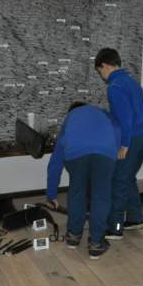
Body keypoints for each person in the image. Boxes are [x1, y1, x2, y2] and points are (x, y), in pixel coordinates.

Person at [46, 102, 120, 259]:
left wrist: (51, 194)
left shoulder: (70, 119)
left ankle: (73, 237)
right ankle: (96, 244)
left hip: (76, 154)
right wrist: (115, 151)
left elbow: (55, 163)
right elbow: (117, 129)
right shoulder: (101, 112)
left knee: (77, 192)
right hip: (105, 151)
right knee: (101, 196)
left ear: (70, 112)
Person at [94, 48, 143, 239]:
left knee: (118, 180)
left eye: (100, 71)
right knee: (128, 177)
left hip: (131, 138)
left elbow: (126, 119)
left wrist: (124, 145)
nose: (101, 75)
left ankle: (115, 227)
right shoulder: (131, 82)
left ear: (105, 66)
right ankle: (135, 218)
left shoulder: (115, 87)